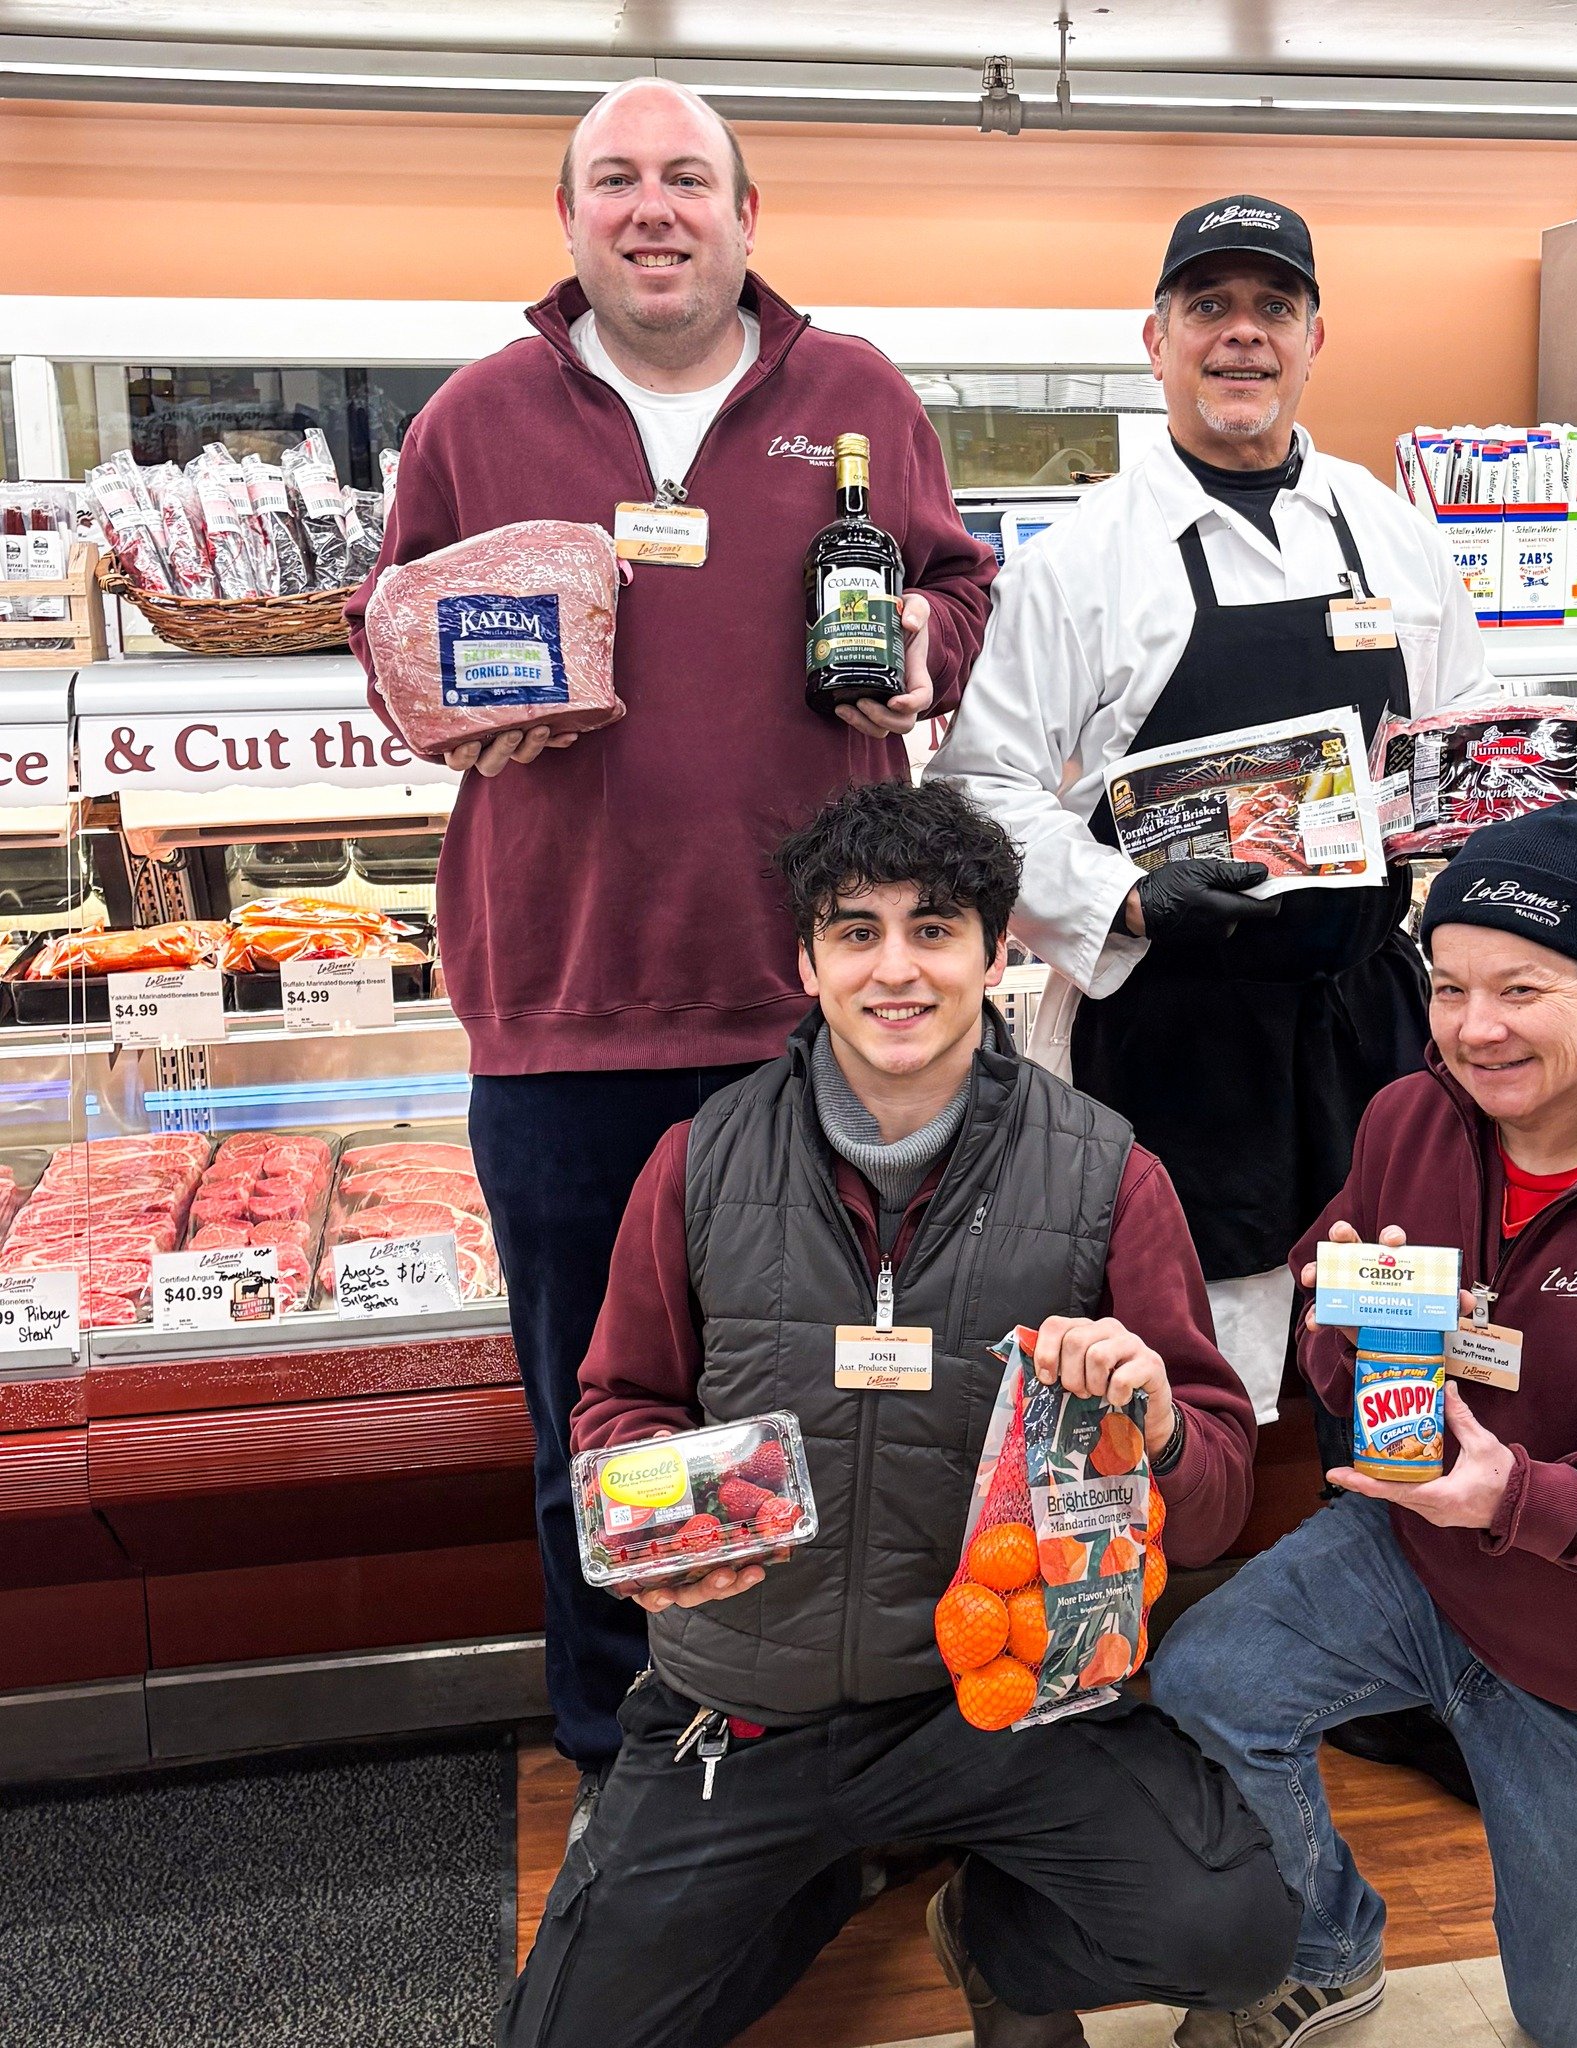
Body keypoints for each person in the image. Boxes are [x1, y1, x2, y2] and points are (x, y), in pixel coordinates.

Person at [345, 79, 995, 1808]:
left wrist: (917, 651)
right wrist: (439, 707)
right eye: (616, 179)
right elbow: (391, 625)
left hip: (830, 1008)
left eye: (685, 178)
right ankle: (626, 1745)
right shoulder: (479, 412)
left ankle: (833, 1732)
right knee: (601, 1425)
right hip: (563, 1008)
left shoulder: (851, 393)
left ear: (745, 212)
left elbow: (956, 585)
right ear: (568, 221)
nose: (653, 208)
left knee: (848, 1396)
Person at [504, 780, 1296, 2048]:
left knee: (1237, 1929)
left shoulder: (1106, 1170)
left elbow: (1211, 1501)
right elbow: (618, 1404)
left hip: (1000, 1696)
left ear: (997, 953)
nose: (896, 969)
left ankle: (994, 1941)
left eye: (934, 929)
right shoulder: (696, 1160)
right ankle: (821, 1870)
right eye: (855, 929)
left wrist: (1153, 1419)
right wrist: (656, 1523)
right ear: (804, 959)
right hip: (744, 1708)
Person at [1151, 801, 1577, 2048]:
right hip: (1411, 1555)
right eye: (1450, 984)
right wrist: (1337, 1321)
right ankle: (1324, 1944)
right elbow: (1337, 1336)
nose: (1475, 1027)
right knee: (1205, 1679)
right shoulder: (1407, 1120)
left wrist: (1518, 1496)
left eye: (1520, 987)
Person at [932, 193, 1494, 1426]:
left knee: (1391, 1351)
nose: (1241, 336)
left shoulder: (1393, 536)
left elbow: (1463, 748)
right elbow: (976, 791)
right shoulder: (1081, 557)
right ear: (1156, 338)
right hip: (1172, 1034)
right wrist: (1120, 892)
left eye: (1272, 308)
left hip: (1369, 1030)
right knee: (1186, 1384)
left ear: (1312, 339)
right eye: (1209, 307)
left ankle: (1372, 1591)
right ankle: (1190, 1612)